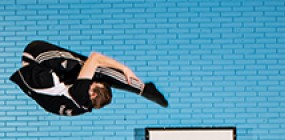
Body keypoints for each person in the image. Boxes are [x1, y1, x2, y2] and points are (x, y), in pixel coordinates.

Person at [9, 40, 169, 117]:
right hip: (35, 81)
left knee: (94, 68)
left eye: (92, 85)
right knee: (87, 71)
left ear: (92, 94)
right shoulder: (82, 108)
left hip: (35, 56)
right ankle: (140, 89)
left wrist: (125, 69)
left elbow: (95, 58)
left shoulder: (81, 95)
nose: (90, 83)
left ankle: (141, 89)